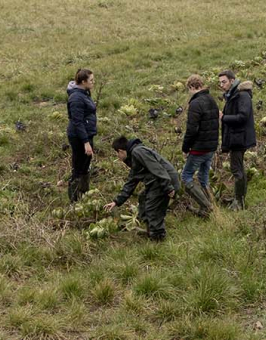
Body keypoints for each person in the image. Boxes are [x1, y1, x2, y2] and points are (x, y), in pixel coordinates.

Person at [103, 136, 180, 241]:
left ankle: (158, 238)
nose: (117, 156)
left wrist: (168, 187)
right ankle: (151, 231)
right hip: (159, 181)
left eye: (117, 153)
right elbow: (131, 182)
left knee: (152, 209)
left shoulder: (138, 152)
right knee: (143, 198)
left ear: (121, 151)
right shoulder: (134, 155)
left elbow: (157, 168)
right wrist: (116, 202)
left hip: (165, 180)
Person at [181, 74, 219, 217]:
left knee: (186, 177)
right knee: (203, 177)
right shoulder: (211, 100)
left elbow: (192, 129)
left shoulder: (195, 104)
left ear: (191, 87)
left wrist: (185, 148)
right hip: (211, 146)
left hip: (199, 148)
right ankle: (210, 206)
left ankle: (207, 206)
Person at [218, 70, 256, 210]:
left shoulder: (242, 96)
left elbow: (242, 117)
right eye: (220, 82)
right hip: (236, 137)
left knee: (236, 169)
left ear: (232, 80)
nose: (221, 85)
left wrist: (223, 117)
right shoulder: (233, 95)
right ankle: (239, 199)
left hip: (240, 138)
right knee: (239, 168)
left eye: (224, 82)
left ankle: (239, 202)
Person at [66, 68, 97, 202]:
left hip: (86, 134)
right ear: (83, 81)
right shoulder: (76, 98)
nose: (93, 82)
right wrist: (86, 142)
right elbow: (77, 122)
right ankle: (74, 199)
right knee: (78, 167)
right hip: (79, 137)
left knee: (85, 165)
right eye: (91, 80)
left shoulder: (84, 92)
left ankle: (84, 193)